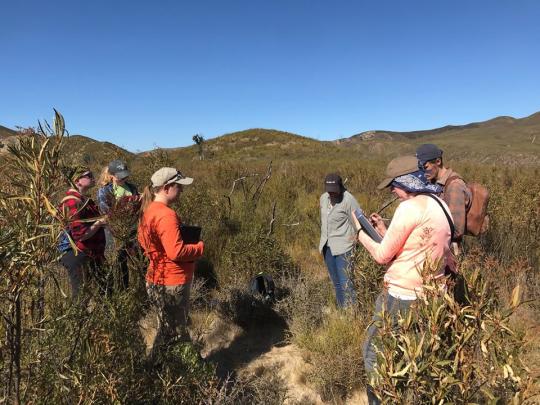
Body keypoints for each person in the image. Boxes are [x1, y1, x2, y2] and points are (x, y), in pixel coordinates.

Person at [352, 156, 453, 405]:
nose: (393, 191)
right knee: (417, 358)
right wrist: (384, 230)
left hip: (401, 298)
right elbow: (415, 246)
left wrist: (359, 232)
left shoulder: (409, 208)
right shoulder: (440, 204)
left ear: (407, 181)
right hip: (432, 297)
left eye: (393, 185)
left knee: (374, 354)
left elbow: (382, 255)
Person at [137, 167, 204, 355]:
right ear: (166, 188)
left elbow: (144, 243)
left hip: (156, 279)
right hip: (172, 282)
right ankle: (187, 372)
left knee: (167, 330)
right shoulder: (166, 215)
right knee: (176, 333)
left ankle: (157, 368)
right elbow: (176, 251)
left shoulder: (147, 210)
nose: (181, 190)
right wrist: (199, 247)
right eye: (178, 186)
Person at [59, 166, 107, 298]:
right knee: (80, 297)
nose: (93, 177)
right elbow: (80, 235)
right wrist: (99, 223)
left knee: (105, 289)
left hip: (91, 254)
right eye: (88, 175)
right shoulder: (72, 201)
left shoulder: (85, 200)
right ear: (77, 180)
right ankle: (79, 319)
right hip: (78, 254)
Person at [416, 144, 471, 254]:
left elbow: (456, 230)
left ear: (438, 162)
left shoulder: (454, 186)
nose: (423, 172)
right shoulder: (434, 182)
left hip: (450, 250)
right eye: (420, 169)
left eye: (426, 168)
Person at [319, 173, 360, 308]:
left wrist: (355, 240)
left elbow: (358, 223)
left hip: (344, 247)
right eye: (329, 191)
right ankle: (342, 311)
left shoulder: (348, 200)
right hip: (327, 246)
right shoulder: (323, 199)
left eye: (334, 191)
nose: (332, 194)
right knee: (336, 282)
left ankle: (351, 315)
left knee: (346, 283)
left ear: (340, 187)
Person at [97, 159, 140, 288]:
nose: (123, 178)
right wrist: (124, 208)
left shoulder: (132, 187)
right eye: (120, 176)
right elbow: (106, 211)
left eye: (125, 175)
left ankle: (133, 289)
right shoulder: (104, 191)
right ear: (111, 175)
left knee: (138, 260)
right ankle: (118, 292)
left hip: (132, 229)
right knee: (118, 262)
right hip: (113, 231)